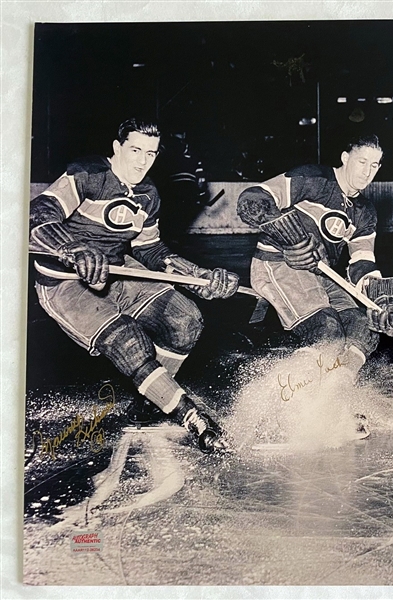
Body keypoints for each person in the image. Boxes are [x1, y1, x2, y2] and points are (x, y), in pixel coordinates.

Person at [28, 117, 240, 453]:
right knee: (130, 341)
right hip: (64, 281)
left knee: (185, 321)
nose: (142, 161)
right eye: (135, 150)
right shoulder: (88, 174)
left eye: (151, 153)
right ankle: (191, 417)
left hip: (117, 269)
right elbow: (37, 214)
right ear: (117, 148)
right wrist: (74, 249)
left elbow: (150, 249)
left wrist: (197, 275)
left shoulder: (148, 194)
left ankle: (156, 397)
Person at [236, 134, 393, 380]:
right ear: (346, 158)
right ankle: (284, 397)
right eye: (362, 162)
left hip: (322, 273)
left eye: (374, 165)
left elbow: (362, 263)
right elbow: (253, 199)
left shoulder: (365, 212)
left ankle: (335, 394)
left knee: (363, 329)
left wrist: (383, 300)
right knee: (327, 332)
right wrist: (291, 240)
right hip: (279, 264)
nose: (367, 172)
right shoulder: (313, 178)